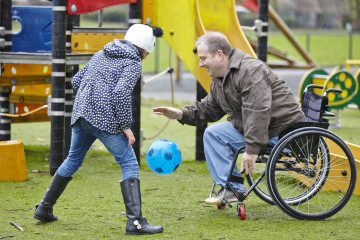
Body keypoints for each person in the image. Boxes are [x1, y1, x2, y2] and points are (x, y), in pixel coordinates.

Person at [34, 24, 164, 235]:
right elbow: (121, 93)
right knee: (129, 162)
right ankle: (135, 222)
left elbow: (76, 80)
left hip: (81, 114)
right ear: (147, 47)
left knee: (73, 159)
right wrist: (126, 127)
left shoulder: (101, 53)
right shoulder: (133, 62)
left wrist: (94, 94)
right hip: (104, 119)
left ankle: (44, 208)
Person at [153, 32, 305, 205]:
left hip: (282, 130)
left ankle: (232, 188)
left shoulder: (250, 70)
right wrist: (180, 114)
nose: (201, 64)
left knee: (222, 132)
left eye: (203, 58)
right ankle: (233, 189)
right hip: (260, 128)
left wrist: (252, 149)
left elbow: (258, 111)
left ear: (219, 55)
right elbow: (208, 109)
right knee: (213, 134)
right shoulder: (220, 78)